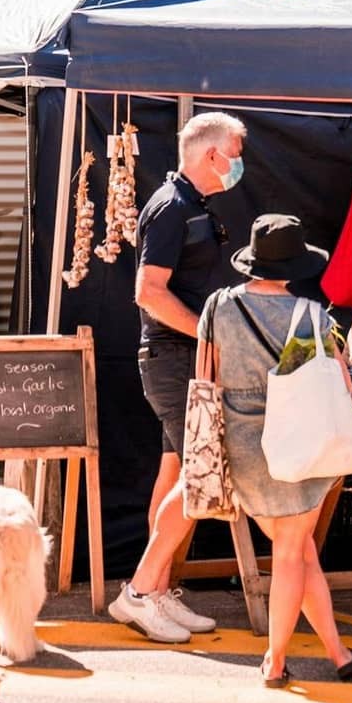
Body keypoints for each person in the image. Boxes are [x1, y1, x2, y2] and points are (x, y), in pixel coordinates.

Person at [118, 215, 352, 688]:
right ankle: (275, 661)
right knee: (291, 553)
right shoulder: (312, 315)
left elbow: (206, 376)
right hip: (293, 448)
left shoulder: (218, 306)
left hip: (237, 451)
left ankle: (339, 653)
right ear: (295, 265)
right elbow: (340, 382)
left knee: (298, 555)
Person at [112, 110, 246, 639]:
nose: (239, 164)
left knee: (174, 477)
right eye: (235, 154)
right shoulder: (171, 208)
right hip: (173, 358)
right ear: (212, 155)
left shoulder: (192, 204)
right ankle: (141, 593)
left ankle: (158, 592)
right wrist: (207, 334)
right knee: (195, 478)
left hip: (181, 356)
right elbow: (148, 292)